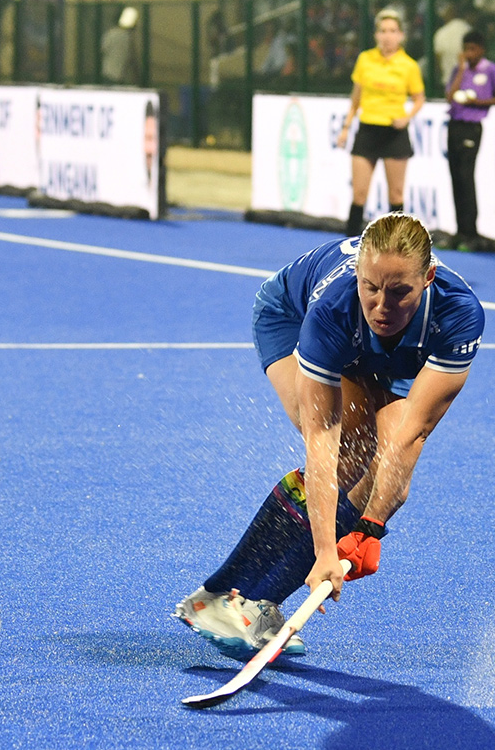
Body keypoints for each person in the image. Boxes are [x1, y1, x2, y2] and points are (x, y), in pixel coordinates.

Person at [175, 213, 484, 658]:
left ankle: (261, 604)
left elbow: (412, 435)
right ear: (357, 274)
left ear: (429, 278)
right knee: (349, 452)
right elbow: (322, 443)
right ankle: (226, 597)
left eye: (400, 292)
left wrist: (370, 526)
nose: (382, 305)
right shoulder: (333, 310)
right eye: (371, 286)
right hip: (290, 315)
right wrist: (325, 552)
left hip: (393, 354)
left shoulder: (460, 316)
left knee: (385, 477)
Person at [335, 8, 426, 237]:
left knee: (396, 195)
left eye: (393, 31)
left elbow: (419, 98)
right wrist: (346, 127)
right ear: (376, 34)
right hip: (368, 130)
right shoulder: (365, 59)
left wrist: (407, 117)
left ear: (401, 35)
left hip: (394, 133)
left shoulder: (408, 65)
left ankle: (399, 246)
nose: (388, 36)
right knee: (359, 194)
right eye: (383, 31)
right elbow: (355, 98)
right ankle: (349, 246)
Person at [445, 30, 495, 251]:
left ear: (481, 49)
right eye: (466, 49)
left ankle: (471, 232)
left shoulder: (489, 69)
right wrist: (461, 69)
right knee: (455, 176)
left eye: (473, 49)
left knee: (466, 177)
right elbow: (450, 95)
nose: (469, 53)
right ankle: (459, 230)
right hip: (454, 125)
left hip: (472, 127)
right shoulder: (460, 69)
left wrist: (479, 101)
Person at [101, 6, 138, 85]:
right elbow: (131, 57)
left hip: (109, 73)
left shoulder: (110, 34)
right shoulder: (128, 36)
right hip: (122, 74)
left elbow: (103, 50)